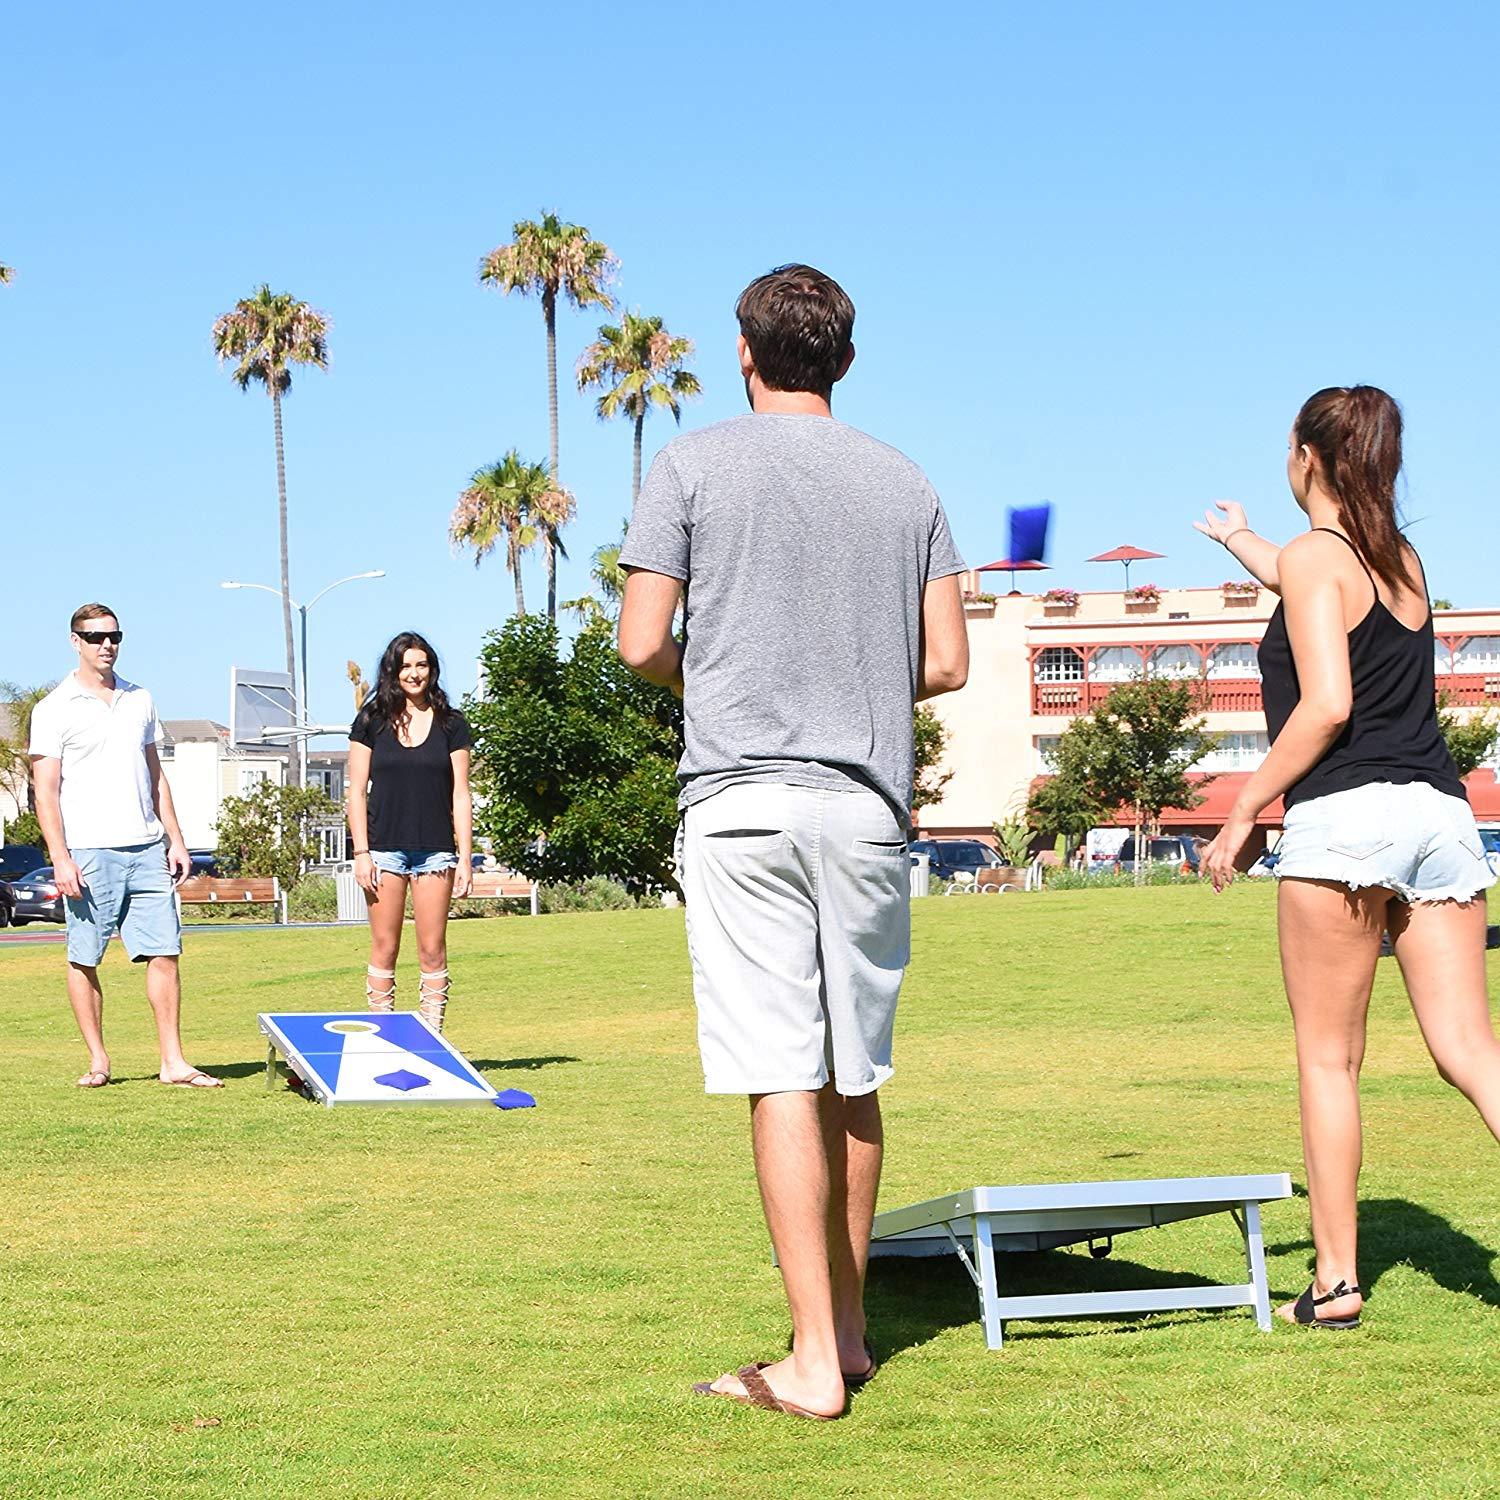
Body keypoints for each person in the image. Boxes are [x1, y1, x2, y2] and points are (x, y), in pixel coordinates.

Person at [617, 264, 969, 1418]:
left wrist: (718, 672)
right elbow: (949, 662)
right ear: (846, 359)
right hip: (865, 803)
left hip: (741, 800)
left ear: (742, 351)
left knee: (779, 1073)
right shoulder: (905, 480)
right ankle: (852, 1334)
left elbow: (639, 642)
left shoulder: (689, 465)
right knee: (853, 1074)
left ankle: (812, 1363)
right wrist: (851, 671)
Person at [1195, 386, 1499, 1329]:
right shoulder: (1400, 560)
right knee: (1471, 1052)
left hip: (1347, 824)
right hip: (1442, 818)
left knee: (1330, 1060)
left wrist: (1245, 809)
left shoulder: (1316, 559)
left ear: (1307, 458)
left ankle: (1335, 1281)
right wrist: (1239, 542)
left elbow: (1325, 704)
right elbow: (1304, 579)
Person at [28, 603, 221, 1089]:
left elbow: (156, 777)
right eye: (95, 637)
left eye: (114, 636)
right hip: (89, 852)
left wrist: (176, 840)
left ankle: (173, 1061)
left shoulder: (140, 700)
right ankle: (98, 1061)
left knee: (164, 952)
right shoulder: (53, 709)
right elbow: (45, 793)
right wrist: (61, 858)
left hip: (146, 849)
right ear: (76, 641)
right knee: (84, 956)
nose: (106, 645)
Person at [346, 632, 473, 1031]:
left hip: (436, 852)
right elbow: (355, 793)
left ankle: (432, 1041)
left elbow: (462, 795)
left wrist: (465, 858)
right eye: (406, 666)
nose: (414, 673)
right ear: (393, 671)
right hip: (383, 852)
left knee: (432, 950)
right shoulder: (371, 721)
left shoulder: (453, 724)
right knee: (385, 947)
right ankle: (381, 1039)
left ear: (431, 670)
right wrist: (361, 852)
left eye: (421, 665)